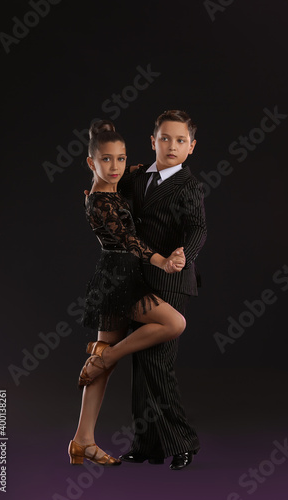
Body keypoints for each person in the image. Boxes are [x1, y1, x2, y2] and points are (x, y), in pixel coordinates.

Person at [68, 120, 188, 467]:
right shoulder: (100, 201)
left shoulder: (113, 185)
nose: (116, 167)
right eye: (107, 160)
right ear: (92, 163)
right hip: (116, 279)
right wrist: (161, 260)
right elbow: (127, 239)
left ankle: (82, 441)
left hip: (125, 276)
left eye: (121, 159)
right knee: (172, 322)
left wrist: (149, 164)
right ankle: (107, 357)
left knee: (102, 359)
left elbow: (137, 170)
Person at [118, 110, 207, 470]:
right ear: (153, 141)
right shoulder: (138, 177)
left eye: (180, 140)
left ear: (191, 147)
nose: (172, 145)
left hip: (171, 279)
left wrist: (185, 253)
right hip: (138, 277)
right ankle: (148, 444)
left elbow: (198, 227)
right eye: (165, 138)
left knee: (157, 361)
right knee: (141, 363)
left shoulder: (188, 185)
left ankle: (183, 441)